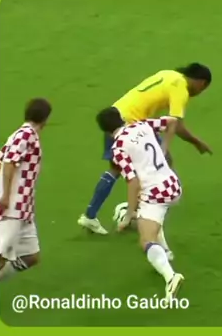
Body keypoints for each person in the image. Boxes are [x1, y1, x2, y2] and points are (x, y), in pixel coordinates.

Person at [78, 63, 212, 234]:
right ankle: (143, 213)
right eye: (203, 88)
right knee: (161, 163)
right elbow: (175, 124)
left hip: (114, 114)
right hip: (132, 123)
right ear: (201, 82)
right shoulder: (181, 88)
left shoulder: (168, 74)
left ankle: (90, 215)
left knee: (116, 168)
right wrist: (193, 142)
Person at [96, 107, 184, 301]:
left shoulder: (118, 149)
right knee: (149, 217)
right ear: (121, 118)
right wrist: (164, 149)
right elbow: (172, 122)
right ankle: (166, 252)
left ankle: (171, 277)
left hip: (155, 194)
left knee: (146, 240)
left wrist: (129, 214)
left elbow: (133, 181)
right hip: (173, 184)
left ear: (106, 131)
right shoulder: (142, 125)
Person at [0, 98, 52, 281]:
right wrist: (5, 195)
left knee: (31, 256)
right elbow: (9, 162)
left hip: (25, 209)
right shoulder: (26, 135)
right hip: (13, 207)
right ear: (45, 119)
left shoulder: (22, 134)